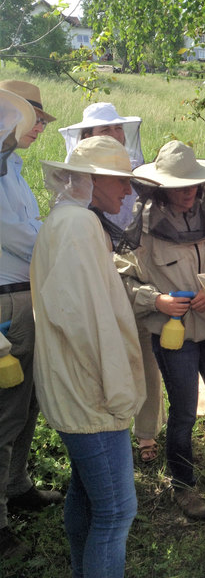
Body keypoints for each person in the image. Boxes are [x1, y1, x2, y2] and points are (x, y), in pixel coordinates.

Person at [30, 136, 147, 578]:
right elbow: (87, 325)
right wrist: (117, 391)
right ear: (95, 181)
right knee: (117, 511)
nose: (128, 192)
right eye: (121, 182)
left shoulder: (70, 220)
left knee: (87, 497)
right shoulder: (77, 226)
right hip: (90, 393)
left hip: (74, 385)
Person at [115, 140, 205, 519]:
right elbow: (122, 280)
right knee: (185, 413)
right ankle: (184, 487)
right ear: (161, 188)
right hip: (174, 339)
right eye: (179, 185)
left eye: (192, 184)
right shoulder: (142, 232)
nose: (188, 192)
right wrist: (155, 301)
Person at [60, 103, 164, 463]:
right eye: (105, 131)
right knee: (108, 354)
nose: (115, 135)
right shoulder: (77, 199)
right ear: (87, 138)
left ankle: (146, 432)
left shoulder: (132, 175)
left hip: (138, 278)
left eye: (118, 129)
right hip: (100, 279)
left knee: (144, 356)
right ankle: (111, 426)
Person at [0, 80, 62, 560]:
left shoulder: (12, 167)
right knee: (6, 411)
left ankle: (16, 484)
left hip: (25, 296)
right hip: (6, 301)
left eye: (41, 120)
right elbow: (19, 235)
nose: (39, 127)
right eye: (33, 118)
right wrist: (62, 235)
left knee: (28, 401)